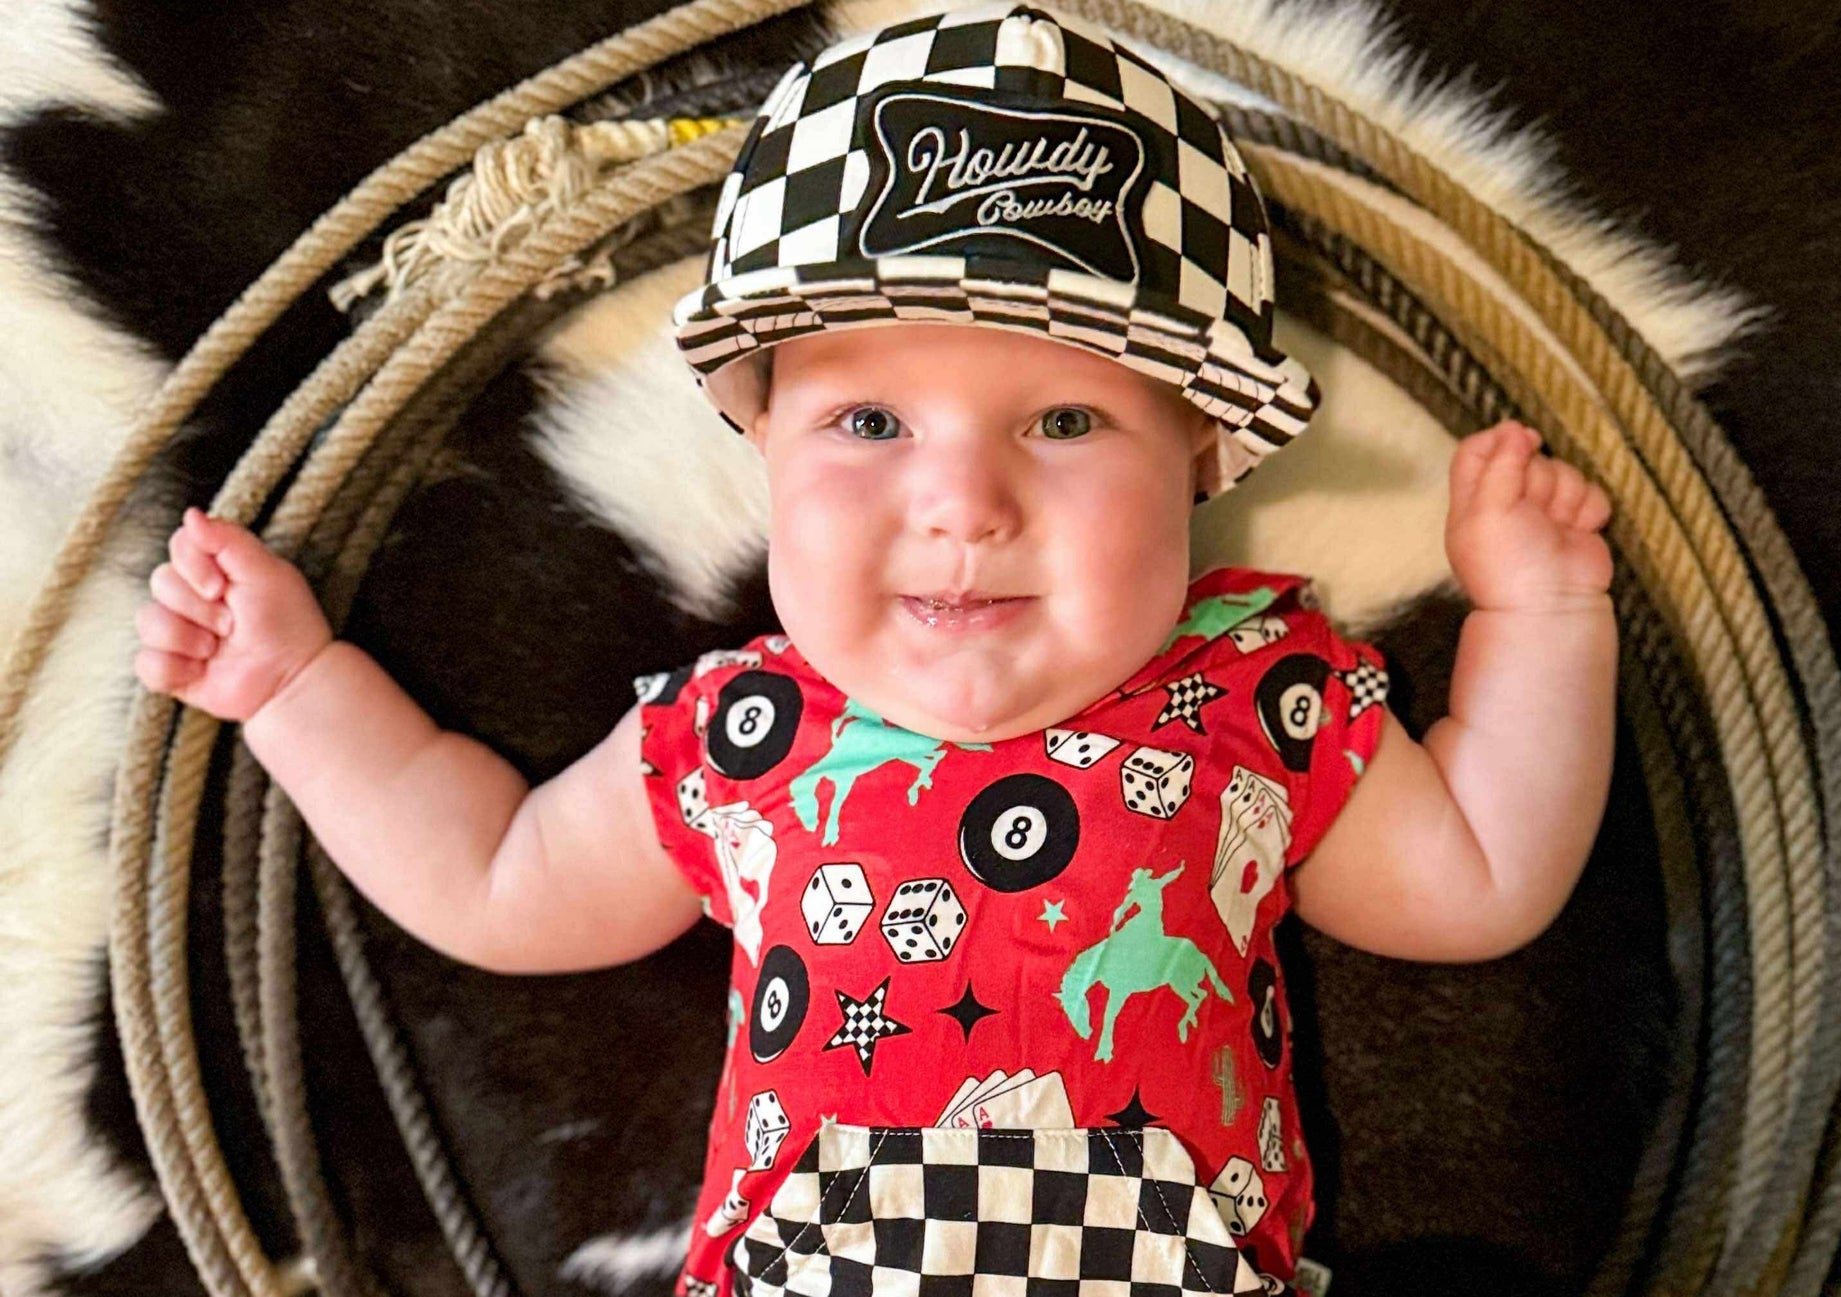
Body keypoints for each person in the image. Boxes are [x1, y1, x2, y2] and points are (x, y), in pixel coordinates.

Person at [132, 7, 1615, 1297]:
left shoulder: (1247, 695)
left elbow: (1474, 879)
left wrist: (1539, 619)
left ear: (1202, 455)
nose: (961, 502)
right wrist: (292, 687)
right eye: (867, 424)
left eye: (1064, 421)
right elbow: (499, 875)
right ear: (764, 442)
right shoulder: (747, 734)